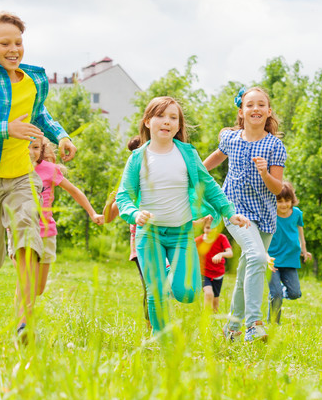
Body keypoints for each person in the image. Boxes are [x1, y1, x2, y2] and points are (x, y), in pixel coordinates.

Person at [115, 96, 247, 334]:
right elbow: (123, 196)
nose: (167, 122)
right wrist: (134, 213)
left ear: (178, 125)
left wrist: (230, 211)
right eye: (161, 116)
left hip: (181, 234)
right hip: (149, 234)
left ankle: (167, 271)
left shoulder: (187, 154)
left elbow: (208, 185)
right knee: (156, 293)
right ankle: (160, 338)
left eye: (173, 118)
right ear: (147, 122)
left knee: (187, 293)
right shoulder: (138, 158)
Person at [0, 11, 76, 340]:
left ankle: (23, 322)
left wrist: (61, 135)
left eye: (18, 42)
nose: (14, 49)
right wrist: (5, 129)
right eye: (5, 43)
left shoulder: (32, 80)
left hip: (21, 178)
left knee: (29, 235)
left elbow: (40, 113)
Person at [203, 87, 286, 343]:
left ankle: (232, 327)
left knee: (247, 268)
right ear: (242, 111)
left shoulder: (275, 146)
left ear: (268, 111)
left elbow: (278, 188)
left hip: (265, 216)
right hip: (235, 211)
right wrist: (191, 176)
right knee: (258, 257)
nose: (256, 109)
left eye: (261, 104)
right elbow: (210, 163)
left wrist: (264, 173)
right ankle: (254, 323)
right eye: (250, 105)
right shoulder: (230, 140)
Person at [26, 136, 104, 299]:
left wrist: (92, 213)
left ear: (41, 150)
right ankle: (22, 322)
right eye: (27, 147)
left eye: (35, 147)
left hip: (46, 232)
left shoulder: (49, 169)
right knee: (26, 283)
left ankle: (25, 318)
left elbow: (75, 191)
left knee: (38, 289)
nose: (31, 152)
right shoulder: (14, 168)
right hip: (22, 230)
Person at [103, 136, 150, 323]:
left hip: (167, 236)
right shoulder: (129, 185)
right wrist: (109, 202)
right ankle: (151, 327)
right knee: (149, 286)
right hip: (140, 243)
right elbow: (108, 217)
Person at [267, 181, 312, 324]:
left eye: (287, 201)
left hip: (290, 259)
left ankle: (278, 292)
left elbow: (300, 233)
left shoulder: (297, 213)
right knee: (276, 295)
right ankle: (273, 323)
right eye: (279, 201)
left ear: (292, 200)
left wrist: (304, 251)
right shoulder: (271, 214)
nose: (284, 204)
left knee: (294, 293)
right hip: (272, 259)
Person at [195, 217, 233, 313]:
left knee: (215, 300)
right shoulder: (198, 241)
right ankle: (206, 318)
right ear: (203, 228)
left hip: (218, 273)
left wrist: (221, 254)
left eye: (213, 227)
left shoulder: (221, 238)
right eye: (208, 227)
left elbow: (230, 253)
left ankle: (214, 319)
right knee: (208, 294)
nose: (210, 230)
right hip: (204, 273)